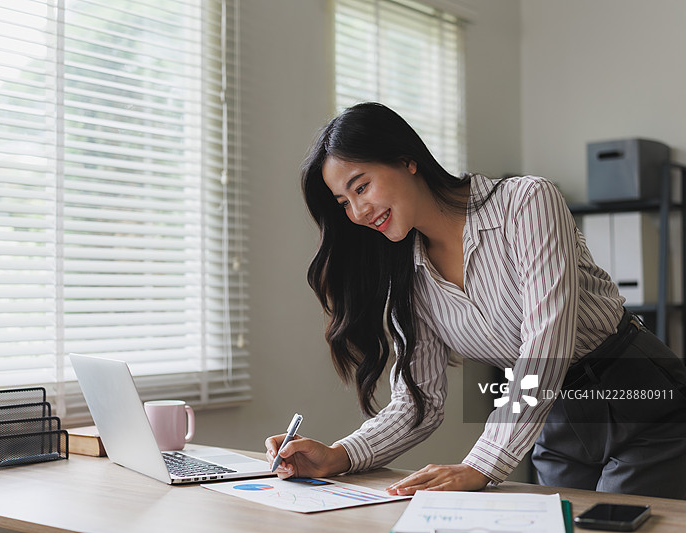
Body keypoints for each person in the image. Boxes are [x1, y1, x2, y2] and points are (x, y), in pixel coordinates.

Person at [264, 102, 686, 499]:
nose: (358, 212)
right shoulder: (407, 275)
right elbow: (419, 401)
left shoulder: (527, 201)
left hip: (639, 398)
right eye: (344, 203)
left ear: (407, 160)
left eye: (362, 187)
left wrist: (481, 464)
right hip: (555, 419)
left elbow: (547, 341)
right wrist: (339, 455)